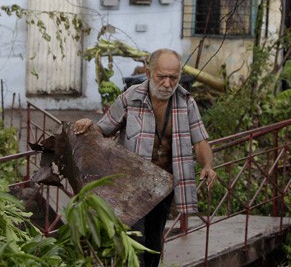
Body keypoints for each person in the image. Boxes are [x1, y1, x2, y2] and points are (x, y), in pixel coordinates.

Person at [73, 48, 216, 267]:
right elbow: (104, 129)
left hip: (163, 184)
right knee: (133, 237)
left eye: (173, 77)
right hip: (131, 183)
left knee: (154, 240)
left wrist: (207, 165)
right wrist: (88, 125)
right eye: (162, 77)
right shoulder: (130, 97)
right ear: (149, 73)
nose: (168, 83)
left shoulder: (186, 102)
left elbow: (200, 139)